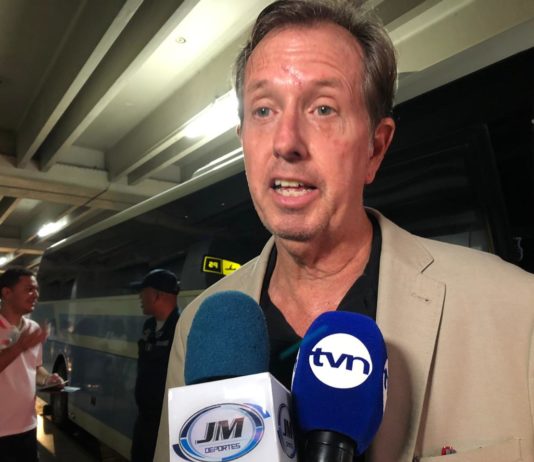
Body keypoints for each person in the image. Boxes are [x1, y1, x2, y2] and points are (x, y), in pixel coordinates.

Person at [155, 1, 534, 461]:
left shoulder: (519, 312)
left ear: (375, 148)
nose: (286, 142)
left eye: (322, 108)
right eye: (263, 110)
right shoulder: (198, 327)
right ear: (244, 143)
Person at [0, 267, 64, 462]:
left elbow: (35, 369)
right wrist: (19, 346)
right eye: (29, 289)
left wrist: (48, 379)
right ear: (7, 293)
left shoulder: (33, 328)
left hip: (27, 426)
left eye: (37, 290)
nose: (36, 295)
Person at [131, 269, 180, 462]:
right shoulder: (149, 327)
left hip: (166, 423)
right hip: (144, 419)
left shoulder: (180, 327)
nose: (140, 297)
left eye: (143, 292)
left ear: (155, 295)